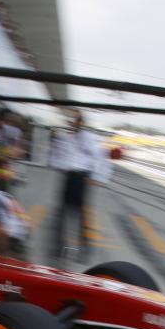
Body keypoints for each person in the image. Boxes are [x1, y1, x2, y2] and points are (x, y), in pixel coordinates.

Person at [48, 109, 111, 263]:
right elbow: (56, 156)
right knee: (62, 214)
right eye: (72, 120)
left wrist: (97, 177)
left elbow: (101, 156)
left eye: (77, 120)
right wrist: (58, 165)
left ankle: (84, 252)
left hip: (82, 179)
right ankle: (59, 248)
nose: (74, 123)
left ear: (81, 122)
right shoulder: (65, 138)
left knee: (81, 217)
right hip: (69, 177)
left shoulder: (88, 138)